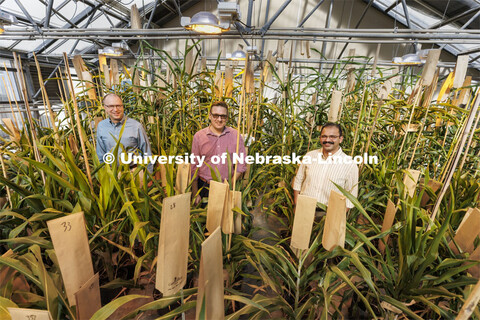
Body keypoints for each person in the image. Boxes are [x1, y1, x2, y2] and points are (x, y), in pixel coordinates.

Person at [191, 101, 247, 205]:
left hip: (227, 186)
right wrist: (195, 193)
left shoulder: (235, 135)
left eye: (223, 116)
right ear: (210, 116)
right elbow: (194, 166)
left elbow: (241, 164)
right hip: (204, 187)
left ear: (227, 117)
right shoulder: (199, 137)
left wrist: (229, 185)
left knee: (224, 220)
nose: (219, 120)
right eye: (216, 115)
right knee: (206, 220)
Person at [293, 122, 358, 210]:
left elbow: (351, 196)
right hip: (304, 208)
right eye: (324, 136)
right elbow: (298, 181)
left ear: (340, 139)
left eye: (333, 137)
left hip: (329, 213)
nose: (327, 140)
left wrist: (337, 217)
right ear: (320, 138)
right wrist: (297, 205)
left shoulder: (350, 165)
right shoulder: (310, 156)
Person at [96, 93, 153, 173]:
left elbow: (147, 152)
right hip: (112, 173)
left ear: (123, 106)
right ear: (105, 108)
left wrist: (148, 176)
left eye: (118, 106)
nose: (116, 109)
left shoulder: (136, 126)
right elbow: (100, 154)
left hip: (134, 172)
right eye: (111, 106)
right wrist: (102, 175)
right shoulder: (101, 126)